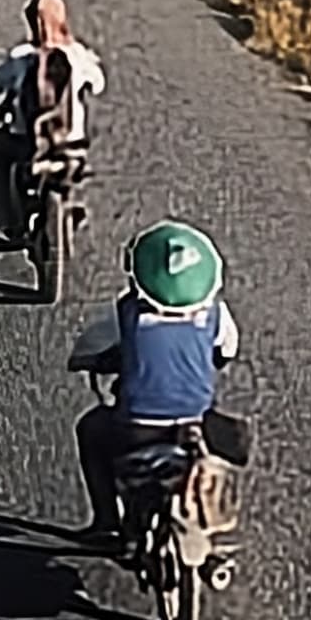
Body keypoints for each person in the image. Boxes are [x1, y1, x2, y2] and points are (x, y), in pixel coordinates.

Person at [73, 221, 244, 547]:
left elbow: (91, 348)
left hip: (137, 426)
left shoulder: (128, 314)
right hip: (194, 423)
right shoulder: (216, 315)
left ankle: (106, 521)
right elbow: (227, 350)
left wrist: (85, 360)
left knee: (90, 429)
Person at [0, 0, 104, 243]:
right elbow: (98, 84)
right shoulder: (78, 55)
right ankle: (67, 209)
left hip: (29, 145)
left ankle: (3, 214)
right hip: (71, 147)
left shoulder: (21, 57)